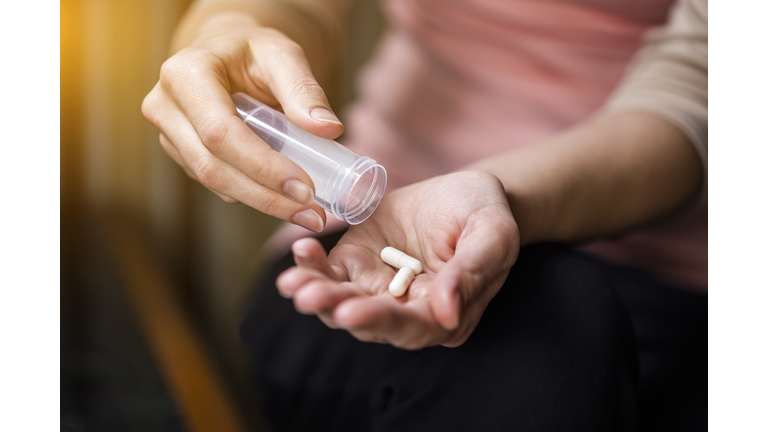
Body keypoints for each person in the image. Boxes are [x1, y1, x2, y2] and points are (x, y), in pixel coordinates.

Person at [142, 0, 707, 430]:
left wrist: (497, 194)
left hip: (667, 270)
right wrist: (227, 32)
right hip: (375, 232)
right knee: (538, 331)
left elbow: (698, 91)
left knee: (555, 309)